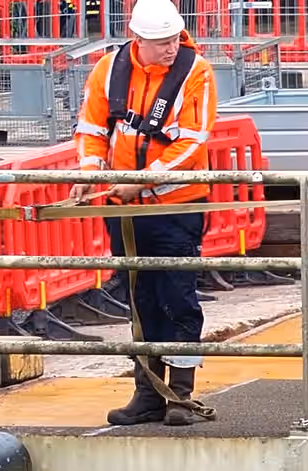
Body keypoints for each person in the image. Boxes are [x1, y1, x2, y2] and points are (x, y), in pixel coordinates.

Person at [77, 0, 219, 427]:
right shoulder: (109, 70)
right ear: (137, 39)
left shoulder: (196, 73)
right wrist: (89, 171)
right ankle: (148, 393)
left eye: (175, 38)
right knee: (140, 300)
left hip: (176, 207)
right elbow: (92, 128)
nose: (170, 48)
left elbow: (192, 142)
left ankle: (180, 394)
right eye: (160, 43)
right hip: (123, 209)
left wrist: (144, 179)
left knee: (177, 298)